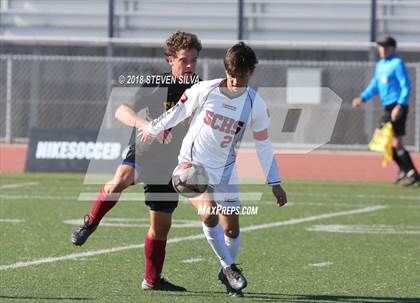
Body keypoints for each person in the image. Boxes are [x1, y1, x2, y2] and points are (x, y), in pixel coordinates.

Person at [137, 42, 288, 297]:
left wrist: (274, 181)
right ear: (226, 71)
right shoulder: (204, 90)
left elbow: (263, 144)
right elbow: (177, 112)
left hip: (225, 171)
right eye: (233, 76)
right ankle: (229, 268)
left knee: (231, 229)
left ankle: (226, 271)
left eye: (243, 77)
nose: (237, 82)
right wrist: (152, 128)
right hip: (190, 166)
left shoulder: (255, 104)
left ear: (251, 73)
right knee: (209, 214)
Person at [71, 31, 203, 291]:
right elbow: (121, 110)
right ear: (170, 60)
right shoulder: (156, 83)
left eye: (194, 60)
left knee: (160, 227)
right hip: (145, 151)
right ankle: (90, 223)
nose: (189, 66)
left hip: (172, 165)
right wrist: (148, 125)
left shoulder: (201, 89)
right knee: (119, 180)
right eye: (184, 60)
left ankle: (152, 280)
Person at [353, 36, 419, 187]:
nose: (381, 50)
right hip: (388, 108)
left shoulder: (397, 63)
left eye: (385, 47)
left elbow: (406, 86)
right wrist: (362, 98)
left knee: (394, 142)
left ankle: (411, 172)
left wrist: (400, 106)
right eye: (380, 47)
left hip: (397, 106)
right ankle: (407, 170)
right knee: (385, 142)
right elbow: (375, 85)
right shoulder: (381, 65)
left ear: (392, 48)